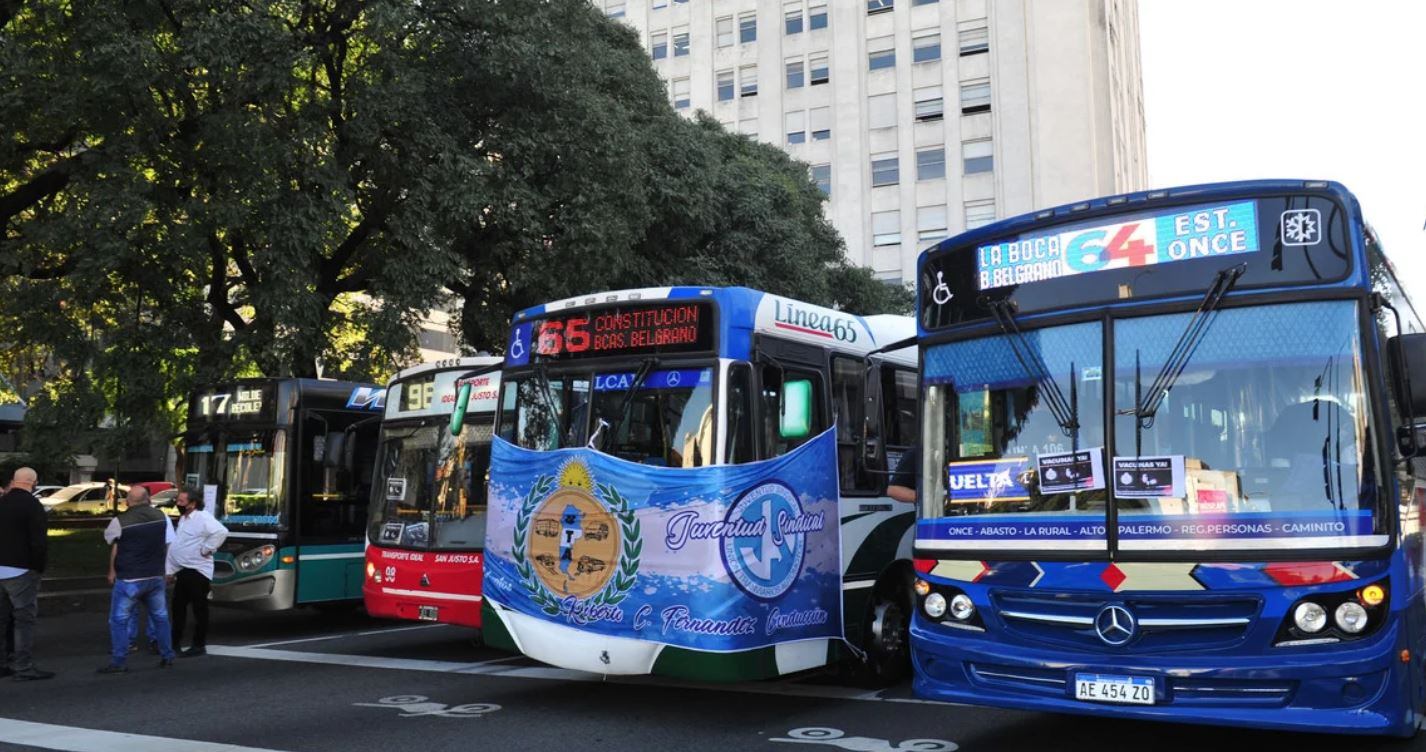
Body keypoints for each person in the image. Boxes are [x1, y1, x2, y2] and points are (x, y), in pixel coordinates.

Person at [98, 486, 176, 673]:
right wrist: (167, 570)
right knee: (160, 618)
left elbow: (111, 541)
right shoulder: (162, 517)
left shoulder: (120, 521)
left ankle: (119, 661)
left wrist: (112, 571)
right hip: (155, 575)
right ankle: (167, 655)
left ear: (128, 501)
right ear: (147, 499)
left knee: (119, 620)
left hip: (130, 578)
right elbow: (168, 545)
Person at [0, 467, 55, 680]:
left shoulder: (3, 501)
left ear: (14, 480)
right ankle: (23, 666)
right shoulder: (32, 506)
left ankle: (2, 663)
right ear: (33, 482)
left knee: (2, 618)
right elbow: (38, 542)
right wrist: (38, 567)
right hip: (21, 569)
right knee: (24, 619)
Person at [166, 487, 228, 657]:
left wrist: (207, 548)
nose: (177, 504)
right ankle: (174, 643)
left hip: (198, 571)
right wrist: (170, 570)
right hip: (183, 570)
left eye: (181, 501)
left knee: (199, 609)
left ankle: (198, 644)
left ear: (192, 504)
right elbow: (178, 545)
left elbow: (221, 531)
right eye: (178, 501)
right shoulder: (184, 519)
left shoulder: (202, 517)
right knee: (178, 608)